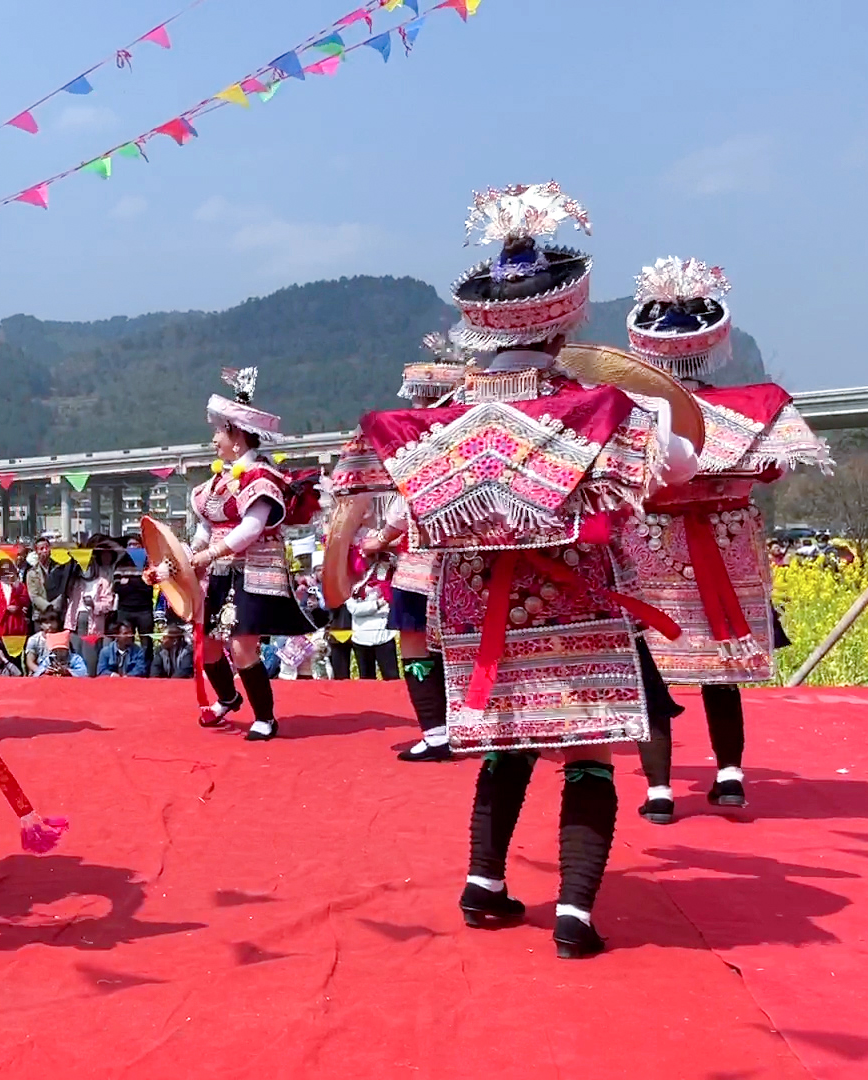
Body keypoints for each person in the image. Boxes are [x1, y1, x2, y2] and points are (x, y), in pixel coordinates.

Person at [330, 182, 698, 959]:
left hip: (473, 603)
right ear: (566, 315)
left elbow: (394, 510)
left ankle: (483, 884)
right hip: (573, 595)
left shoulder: (444, 418)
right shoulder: (599, 407)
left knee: (504, 741)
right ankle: (573, 914)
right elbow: (674, 469)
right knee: (588, 749)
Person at [610, 258, 831, 822]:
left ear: (645, 349)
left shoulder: (627, 414)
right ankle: (730, 778)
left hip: (649, 546)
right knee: (721, 663)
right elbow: (773, 471)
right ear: (714, 346)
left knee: (649, 664)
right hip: (726, 539)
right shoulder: (756, 406)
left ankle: (659, 791)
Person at [149, 367, 314, 741]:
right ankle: (227, 697)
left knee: (242, 645)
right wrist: (178, 560)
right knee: (206, 644)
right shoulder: (218, 483)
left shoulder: (261, 478)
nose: (213, 440)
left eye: (218, 432)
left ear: (237, 436)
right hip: (222, 571)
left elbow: (252, 528)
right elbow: (206, 528)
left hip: (256, 568)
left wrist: (207, 556)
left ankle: (266, 718)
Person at [357, 339, 470, 761]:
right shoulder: (470, 441)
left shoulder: (429, 446)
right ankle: (468, 727)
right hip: (467, 562)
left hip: (424, 564)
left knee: (416, 643)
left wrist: (380, 539)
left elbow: (408, 504)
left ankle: (436, 732)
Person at [345, 586, 397, 680]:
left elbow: (387, 606)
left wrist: (366, 609)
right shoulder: (352, 582)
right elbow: (354, 609)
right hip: (361, 640)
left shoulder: (385, 576)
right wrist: (377, 604)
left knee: (392, 680)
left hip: (384, 638)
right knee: (366, 683)